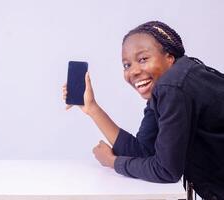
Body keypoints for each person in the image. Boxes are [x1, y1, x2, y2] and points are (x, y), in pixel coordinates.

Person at [62, 21, 224, 200]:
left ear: (169, 57)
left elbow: (166, 170)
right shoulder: (168, 86)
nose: (133, 71)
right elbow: (143, 151)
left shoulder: (172, 87)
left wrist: (113, 162)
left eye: (143, 59)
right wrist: (92, 108)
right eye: (127, 65)